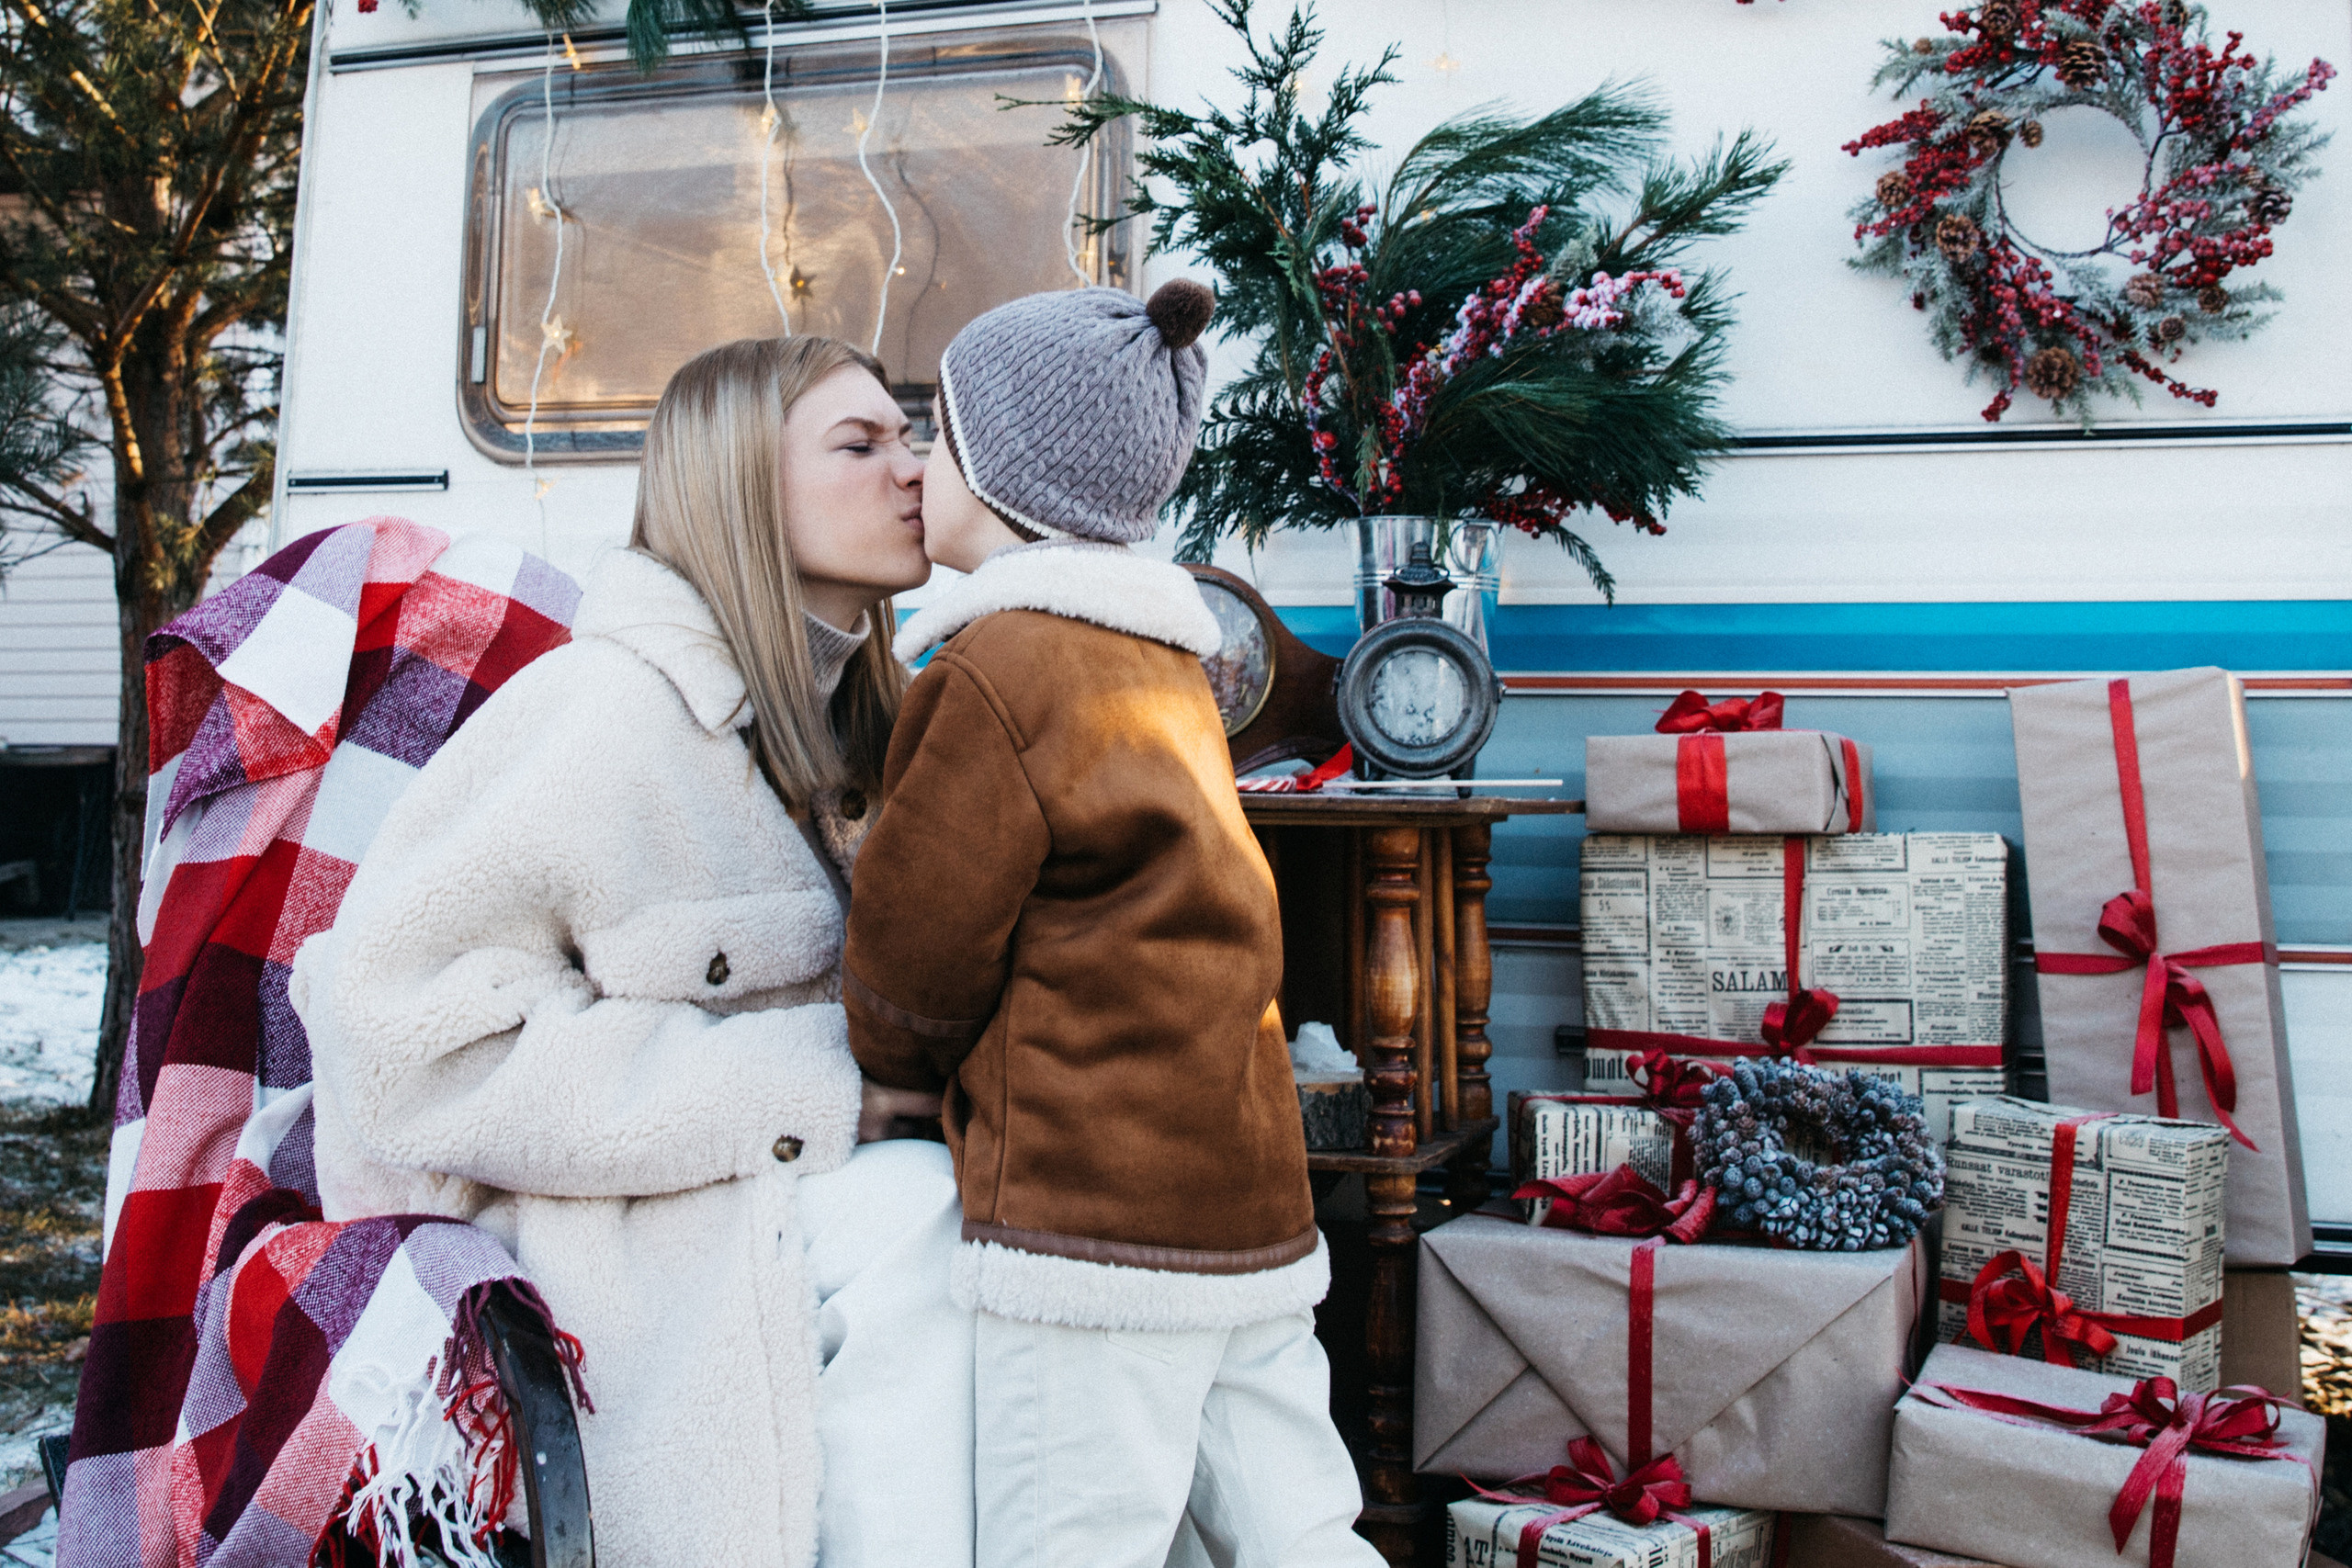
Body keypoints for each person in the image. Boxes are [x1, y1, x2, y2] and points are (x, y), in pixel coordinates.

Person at [290, 335, 970, 1568]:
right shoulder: (602, 713)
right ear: (738, 488)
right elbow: (402, 1047)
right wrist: (821, 1089)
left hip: (779, 1215)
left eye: (912, 436)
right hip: (622, 1251)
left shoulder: (876, 720)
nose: (915, 471)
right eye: (861, 444)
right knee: (924, 1230)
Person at [843, 282, 1384, 1567]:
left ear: (1009, 476)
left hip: (1090, 1228)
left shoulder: (993, 665)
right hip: (1242, 1207)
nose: (918, 466)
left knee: (1072, 1536)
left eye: (940, 436)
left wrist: (893, 1068)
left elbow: (920, 942)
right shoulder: (1161, 663)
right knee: (1300, 1532)